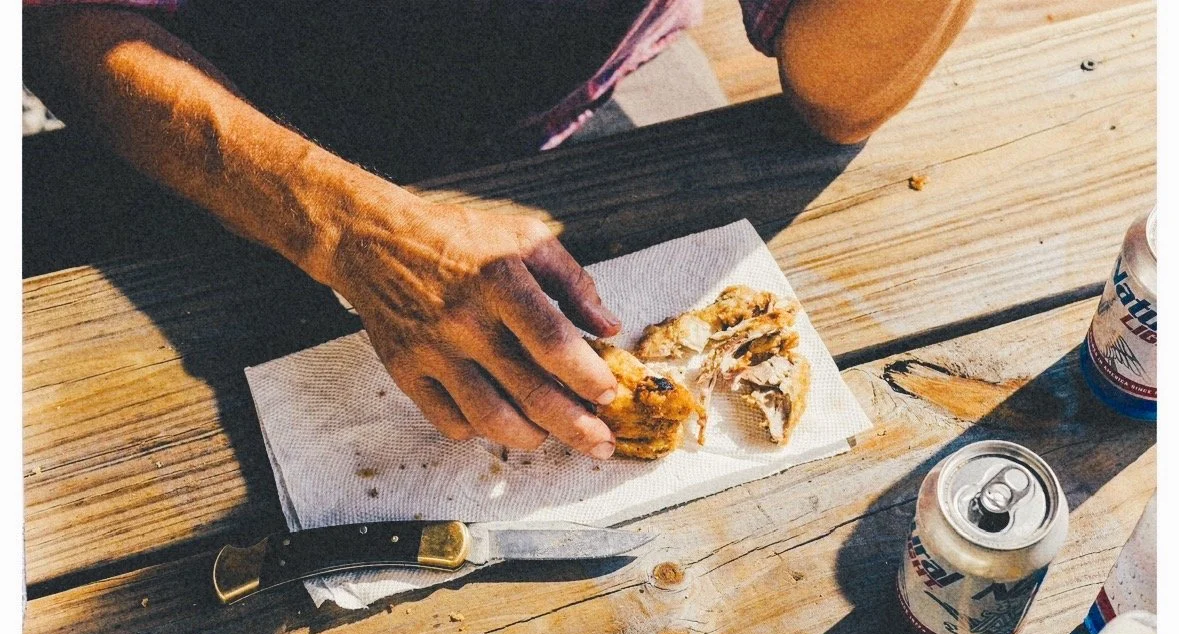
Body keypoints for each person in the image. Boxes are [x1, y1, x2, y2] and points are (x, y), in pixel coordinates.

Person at [22, 0, 974, 459]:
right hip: (202, 136)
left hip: (553, 122)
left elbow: (839, 98)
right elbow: (62, 23)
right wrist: (348, 228)